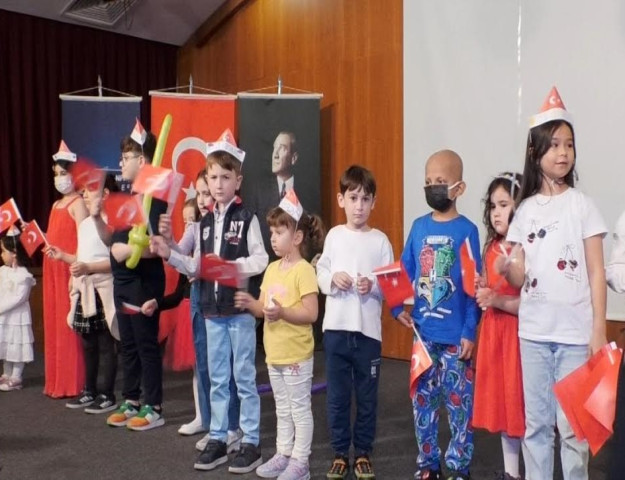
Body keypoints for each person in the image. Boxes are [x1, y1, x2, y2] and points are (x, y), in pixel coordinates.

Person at [502, 87, 607, 480]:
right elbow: (519, 276)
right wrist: (506, 268)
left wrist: (598, 329)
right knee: (537, 427)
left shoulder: (583, 205)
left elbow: (596, 271)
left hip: (575, 336)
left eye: (569, 144)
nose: (563, 153)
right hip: (533, 334)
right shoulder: (525, 211)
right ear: (535, 152)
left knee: (574, 430)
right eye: (555, 144)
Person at [150, 129, 268, 473]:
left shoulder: (248, 218)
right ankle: (218, 436)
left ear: (238, 180)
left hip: (239, 311)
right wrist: (169, 253)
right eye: (213, 177)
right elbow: (195, 266)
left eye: (225, 177)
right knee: (217, 377)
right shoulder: (202, 224)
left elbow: (261, 259)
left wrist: (232, 268)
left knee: (243, 377)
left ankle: (251, 441)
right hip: (212, 312)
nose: (218, 184)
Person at [392, 150, 481, 480]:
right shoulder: (419, 227)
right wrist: (396, 307)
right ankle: (428, 464)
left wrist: (470, 330)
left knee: (460, 408)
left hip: (456, 341)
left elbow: (473, 286)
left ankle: (459, 467)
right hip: (423, 338)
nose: (433, 187)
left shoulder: (468, 230)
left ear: (459, 188)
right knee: (423, 405)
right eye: (428, 181)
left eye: (441, 181)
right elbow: (404, 269)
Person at [235, 192, 325, 480]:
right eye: (271, 232)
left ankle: (301, 462)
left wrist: (283, 312)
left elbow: (311, 313)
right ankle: (284, 453)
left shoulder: (304, 270)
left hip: (296, 354)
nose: (272, 238)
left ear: (297, 237)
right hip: (275, 354)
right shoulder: (272, 268)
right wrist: (251, 304)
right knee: (282, 408)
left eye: (279, 232)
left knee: (299, 409)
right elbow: (264, 309)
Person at [315, 165, 394, 480]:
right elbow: (321, 272)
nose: (359, 205)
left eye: (365, 199)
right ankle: (339, 453)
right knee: (337, 397)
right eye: (353, 197)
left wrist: (372, 285)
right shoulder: (334, 236)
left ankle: (362, 453)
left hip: (368, 334)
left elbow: (390, 285)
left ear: (374, 202)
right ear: (341, 200)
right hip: (336, 331)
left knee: (367, 397)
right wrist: (333, 278)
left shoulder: (380, 241)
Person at [90, 120, 168, 431]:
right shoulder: (128, 196)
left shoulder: (154, 197)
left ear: (143, 160)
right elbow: (112, 239)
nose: (121, 163)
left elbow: (158, 246)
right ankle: (132, 399)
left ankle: (154, 406)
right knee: (129, 346)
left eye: (126, 157)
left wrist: (130, 251)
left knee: (146, 346)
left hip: (143, 283)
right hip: (122, 282)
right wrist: (97, 218)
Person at [158, 171, 242, 447]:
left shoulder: (230, 224)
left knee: (225, 365)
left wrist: (201, 268)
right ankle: (208, 421)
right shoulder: (196, 226)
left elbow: (229, 265)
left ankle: (231, 426)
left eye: (208, 193)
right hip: (197, 296)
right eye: (201, 194)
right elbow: (179, 252)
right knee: (204, 363)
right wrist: (168, 239)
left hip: (221, 299)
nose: (204, 199)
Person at [48, 174, 120, 414]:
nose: (84, 195)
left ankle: (107, 394)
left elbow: (115, 262)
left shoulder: (113, 223)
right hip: (85, 289)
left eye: (90, 190)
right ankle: (89, 390)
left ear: (106, 194)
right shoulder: (85, 224)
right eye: (84, 191)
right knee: (88, 342)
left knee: (106, 343)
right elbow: (81, 257)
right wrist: (64, 257)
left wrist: (88, 267)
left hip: (104, 288)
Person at [472, 173, 524, 480]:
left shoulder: (525, 247)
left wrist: (496, 300)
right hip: (494, 334)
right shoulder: (491, 246)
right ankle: (511, 473)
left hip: (518, 337)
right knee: (504, 409)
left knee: (521, 407)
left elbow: (530, 303)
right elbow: (489, 287)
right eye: (493, 206)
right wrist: (482, 287)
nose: (496, 212)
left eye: (504, 205)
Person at [42, 140, 89, 398]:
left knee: (68, 325)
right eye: (57, 174)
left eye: (64, 173)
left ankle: (71, 381)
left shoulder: (78, 203)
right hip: (52, 270)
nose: (60, 179)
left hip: (68, 269)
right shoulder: (55, 205)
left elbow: (84, 242)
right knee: (54, 323)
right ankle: (56, 379)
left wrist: (72, 263)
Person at [250, 131, 318, 261]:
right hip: (266, 267)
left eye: (282, 148)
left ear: (294, 158)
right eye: (274, 148)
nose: (275, 155)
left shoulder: (308, 193)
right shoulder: (259, 191)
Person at [0, 230, 35, 392]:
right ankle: (6, 373)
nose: (1, 255)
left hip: (17, 317)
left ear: (14, 253)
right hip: (4, 317)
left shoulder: (23, 275)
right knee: (6, 343)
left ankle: (16, 376)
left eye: (3, 251)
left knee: (17, 344)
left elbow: (19, 298)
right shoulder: (3, 271)